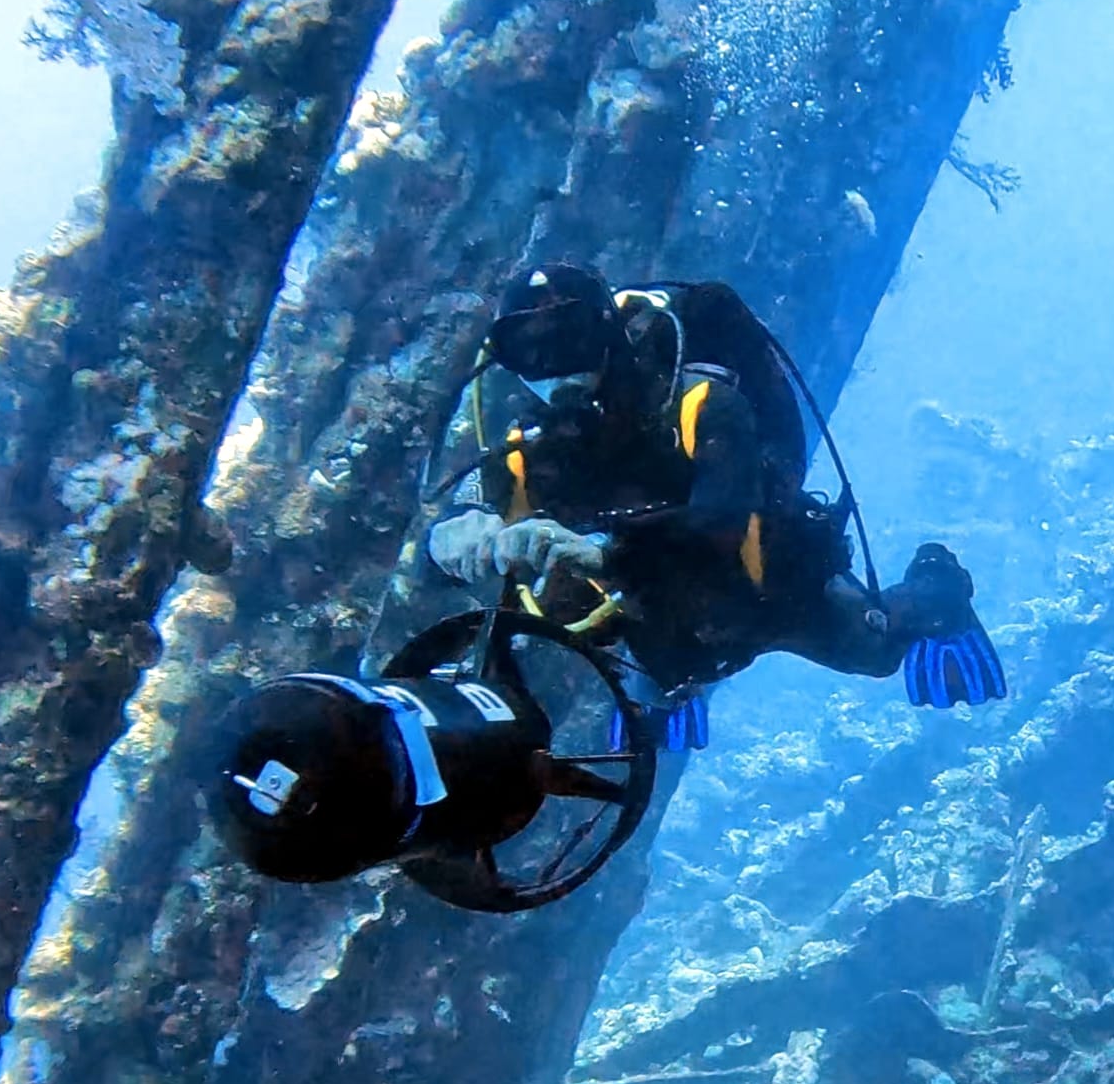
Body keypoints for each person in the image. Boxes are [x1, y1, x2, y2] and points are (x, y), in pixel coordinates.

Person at [426, 263, 1006, 749]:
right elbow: (466, 543)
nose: (555, 367)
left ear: (607, 330)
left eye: (569, 336)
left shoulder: (702, 404)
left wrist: (600, 551)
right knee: (614, 641)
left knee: (875, 651)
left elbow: (720, 526)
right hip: (658, 618)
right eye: (527, 350)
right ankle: (668, 687)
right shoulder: (528, 450)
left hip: (766, 588)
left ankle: (940, 583)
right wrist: (452, 537)